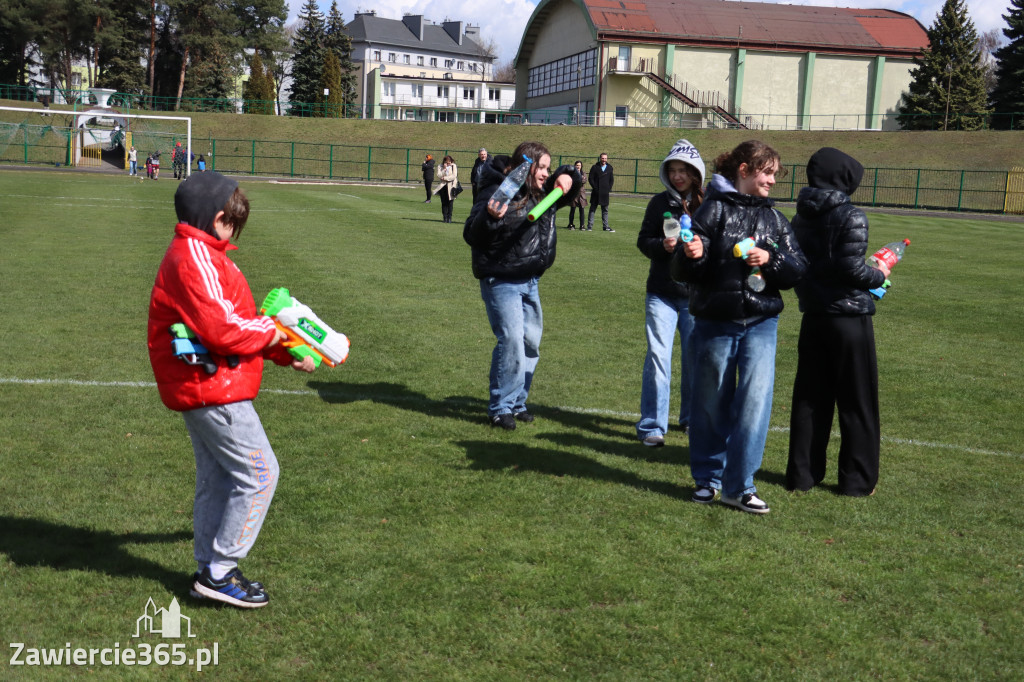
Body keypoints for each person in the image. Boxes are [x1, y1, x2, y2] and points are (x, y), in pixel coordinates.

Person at [147, 171, 317, 608]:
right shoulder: (193, 257)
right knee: (261, 474)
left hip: (207, 382)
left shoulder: (208, 254)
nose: (234, 232)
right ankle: (221, 571)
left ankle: (208, 568)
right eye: (231, 223)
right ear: (217, 217)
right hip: (211, 386)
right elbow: (225, 330)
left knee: (219, 478)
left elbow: (238, 322)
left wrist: (286, 349)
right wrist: (279, 331)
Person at [671, 140, 807, 514]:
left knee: (754, 404)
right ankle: (707, 480)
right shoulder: (713, 211)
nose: (773, 181)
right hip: (716, 322)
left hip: (762, 322)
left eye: (775, 174)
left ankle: (740, 486)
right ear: (744, 170)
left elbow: (797, 270)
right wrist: (691, 254)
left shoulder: (777, 220)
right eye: (767, 173)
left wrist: (771, 257)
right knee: (711, 403)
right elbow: (683, 272)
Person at [786, 147, 888, 497]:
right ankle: (857, 480)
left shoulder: (799, 216)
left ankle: (803, 474)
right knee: (857, 401)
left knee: (810, 398)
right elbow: (852, 270)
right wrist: (880, 273)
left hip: (814, 315)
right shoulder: (851, 215)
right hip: (848, 318)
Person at [464, 142, 582, 430]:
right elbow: (471, 233)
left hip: (531, 280)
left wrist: (571, 176)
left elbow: (571, 185)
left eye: (548, 168)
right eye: (540, 167)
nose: (545, 173)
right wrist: (490, 219)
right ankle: (500, 407)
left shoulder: (544, 193)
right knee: (513, 340)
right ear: (524, 166)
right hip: (501, 279)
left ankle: (517, 403)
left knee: (530, 345)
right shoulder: (497, 189)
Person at [635, 140, 705, 447]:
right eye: (672, 171)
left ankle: (691, 419)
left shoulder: (709, 204)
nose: (677, 177)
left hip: (696, 296)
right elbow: (643, 241)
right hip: (661, 293)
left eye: (683, 171)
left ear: (695, 173)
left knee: (695, 360)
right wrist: (660, 247)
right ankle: (652, 426)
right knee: (658, 359)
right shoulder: (658, 203)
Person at [586, 152, 615, 232]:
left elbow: (611, 180)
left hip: (605, 193)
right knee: (592, 209)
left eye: (605, 158)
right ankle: (589, 226)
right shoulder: (595, 167)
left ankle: (606, 227)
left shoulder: (609, 168)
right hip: (596, 192)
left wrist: (608, 188)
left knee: (605, 210)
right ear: (600, 158)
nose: (604, 160)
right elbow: (590, 178)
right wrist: (595, 188)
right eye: (603, 158)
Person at [434, 155, 459, 223]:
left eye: (449, 162)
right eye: (446, 162)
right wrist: (444, 169)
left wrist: (445, 178)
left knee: (450, 203)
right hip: (443, 186)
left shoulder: (453, 166)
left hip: (451, 186)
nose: (448, 164)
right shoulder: (440, 166)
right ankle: (445, 218)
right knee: (444, 203)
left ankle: (449, 218)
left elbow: (454, 176)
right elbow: (439, 175)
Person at [566, 161, 587, 230]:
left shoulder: (583, 173)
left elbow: (584, 181)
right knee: (573, 209)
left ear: (581, 166)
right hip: (574, 193)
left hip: (581, 194)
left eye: (579, 165)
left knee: (582, 210)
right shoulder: (571, 173)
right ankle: (571, 224)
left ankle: (582, 225)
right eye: (577, 165)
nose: (578, 166)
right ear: (575, 166)